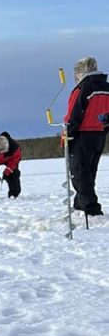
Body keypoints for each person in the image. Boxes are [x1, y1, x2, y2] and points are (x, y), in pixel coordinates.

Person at [64, 56, 109, 216]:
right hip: (99, 135)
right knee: (89, 171)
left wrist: (67, 136)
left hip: (82, 135)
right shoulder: (106, 88)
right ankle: (80, 203)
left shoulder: (83, 88)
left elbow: (73, 114)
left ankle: (91, 208)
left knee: (80, 172)